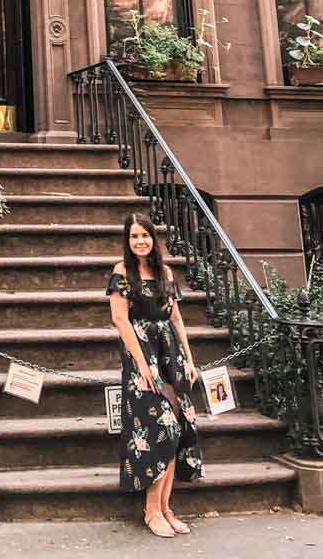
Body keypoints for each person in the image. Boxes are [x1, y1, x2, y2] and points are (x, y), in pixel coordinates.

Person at [107, 211, 203, 538]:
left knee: (176, 430)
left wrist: (190, 360)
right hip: (142, 361)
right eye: (133, 237)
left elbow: (176, 320)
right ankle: (151, 510)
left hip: (170, 358)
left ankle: (165, 507)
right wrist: (143, 364)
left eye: (144, 236)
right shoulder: (122, 273)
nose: (140, 242)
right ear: (127, 240)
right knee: (162, 429)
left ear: (153, 238)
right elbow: (121, 320)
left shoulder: (165, 272)